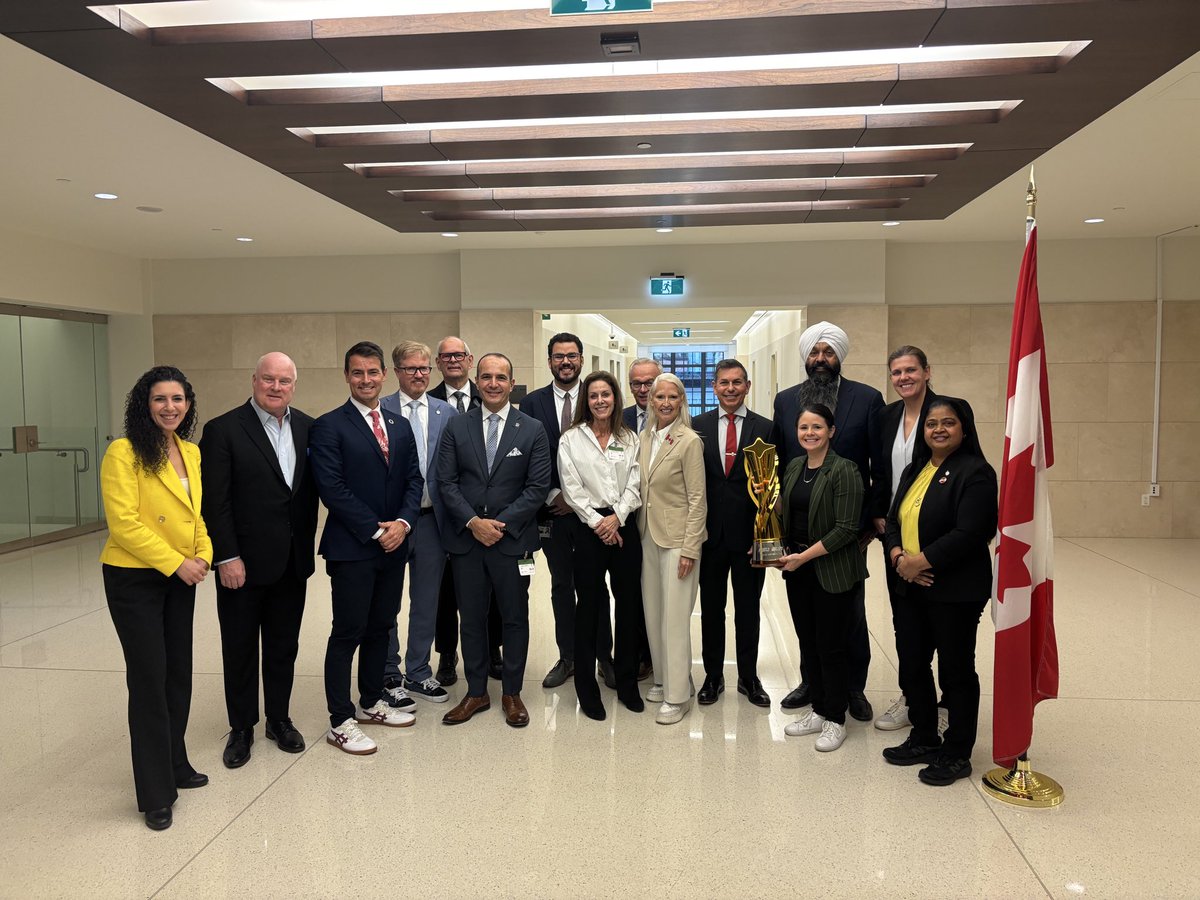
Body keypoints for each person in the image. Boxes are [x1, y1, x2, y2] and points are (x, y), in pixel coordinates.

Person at [99, 365, 212, 831]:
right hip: (135, 577)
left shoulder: (190, 450)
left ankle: (176, 763)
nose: (170, 407)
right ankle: (154, 793)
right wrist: (176, 562)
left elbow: (193, 515)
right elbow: (124, 523)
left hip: (179, 575)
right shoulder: (123, 452)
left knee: (177, 674)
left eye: (178, 399)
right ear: (144, 405)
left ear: (188, 404)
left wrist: (204, 552)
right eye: (160, 399)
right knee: (148, 680)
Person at [200, 352, 319, 770]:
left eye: (284, 381)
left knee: (284, 645)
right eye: (268, 379)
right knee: (240, 647)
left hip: (292, 561)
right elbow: (215, 503)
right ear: (253, 381)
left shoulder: (308, 427)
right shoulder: (223, 431)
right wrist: (226, 556)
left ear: (293, 385)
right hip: (241, 565)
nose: (275, 387)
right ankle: (242, 728)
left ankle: (279, 719)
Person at [309, 341, 423, 756]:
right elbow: (332, 489)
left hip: (394, 546)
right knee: (348, 632)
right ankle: (341, 720)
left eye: (373, 372)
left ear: (384, 375)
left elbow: (414, 479)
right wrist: (377, 531)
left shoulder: (399, 424)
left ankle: (372, 700)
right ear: (346, 376)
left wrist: (404, 524)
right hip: (354, 547)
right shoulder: (329, 426)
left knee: (382, 626)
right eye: (357, 373)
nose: (366, 380)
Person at [882, 397, 997, 786]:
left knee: (955, 670)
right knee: (912, 664)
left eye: (949, 423)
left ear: (964, 428)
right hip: (910, 584)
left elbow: (973, 532)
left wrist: (922, 561)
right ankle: (925, 736)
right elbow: (894, 517)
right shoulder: (915, 468)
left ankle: (956, 752)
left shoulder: (976, 472)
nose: (939, 430)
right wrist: (899, 556)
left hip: (955, 589)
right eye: (932, 424)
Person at [772, 321, 883, 721]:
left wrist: (872, 520)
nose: (820, 359)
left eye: (828, 352)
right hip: (799, 530)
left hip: (846, 531)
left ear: (839, 356)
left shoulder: (867, 399)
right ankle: (811, 682)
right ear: (805, 357)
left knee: (850, 614)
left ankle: (853, 687)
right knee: (806, 616)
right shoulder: (786, 402)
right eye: (814, 353)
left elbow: (879, 463)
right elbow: (781, 465)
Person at [437, 353, 552, 728]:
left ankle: (512, 693)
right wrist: (473, 522)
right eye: (485, 377)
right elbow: (446, 483)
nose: (492, 384)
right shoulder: (457, 426)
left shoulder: (531, 428)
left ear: (511, 381)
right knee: (470, 618)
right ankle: (476, 692)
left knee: (514, 617)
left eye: (500, 377)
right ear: (477, 379)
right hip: (468, 542)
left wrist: (497, 524)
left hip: (512, 541)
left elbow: (536, 489)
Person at [521, 333, 615, 690]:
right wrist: (553, 494)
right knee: (562, 585)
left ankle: (604, 656)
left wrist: (584, 499)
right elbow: (528, 456)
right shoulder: (532, 403)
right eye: (559, 356)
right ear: (549, 361)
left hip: (596, 513)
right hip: (553, 513)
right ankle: (569, 657)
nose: (565, 362)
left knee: (597, 587)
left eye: (572, 356)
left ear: (581, 360)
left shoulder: (597, 399)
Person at [777, 403, 868, 753]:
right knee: (809, 642)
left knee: (831, 645)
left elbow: (846, 529)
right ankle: (818, 708)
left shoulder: (845, 470)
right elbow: (787, 510)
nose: (809, 433)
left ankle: (836, 718)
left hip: (830, 569)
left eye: (817, 427)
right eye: (803, 428)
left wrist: (803, 556)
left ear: (831, 431)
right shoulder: (795, 466)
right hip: (797, 568)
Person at [558, 371, 644, 720]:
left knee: (628, 609)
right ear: (586, 401)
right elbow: (571, 488)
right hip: (588, 531)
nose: (600, 401)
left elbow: (636, 483)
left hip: (623, 527)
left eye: (605, 394)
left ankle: (627, 684)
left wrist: (617, 518)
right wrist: (599, 523)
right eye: (593, 396)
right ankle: (586, 690)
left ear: (615, 397)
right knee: (589, 609)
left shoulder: (629, 437)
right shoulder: (571, 439)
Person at [694, 359, 778, 708]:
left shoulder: (767, 428)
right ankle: (713, 676)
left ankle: (748, 677)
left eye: (737, 383)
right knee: (711, 610)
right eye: (724, 383)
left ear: (748, 386)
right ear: (714, 387)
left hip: (748, 538)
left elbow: (773, 485)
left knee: (748, 609)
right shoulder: (696, 426)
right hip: (709, 536)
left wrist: (765, 540)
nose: (730, 388)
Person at [869, 346, 944, 733]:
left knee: (942, 622)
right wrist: (880, 516)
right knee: (905, 621)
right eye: (896, 372)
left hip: (934, 531)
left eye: (911, 370)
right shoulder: (887, 416)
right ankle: (913, 694)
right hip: (894, 530)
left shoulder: (947, 411)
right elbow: (880, 471)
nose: (903, 378)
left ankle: (944, 701)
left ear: (927, 371)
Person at [380, 340, 457, 704]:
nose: (419, 375)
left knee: (426, 600)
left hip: (431, 523)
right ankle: (388, 672)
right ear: (396, 372)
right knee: (388, 602)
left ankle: (419, 671)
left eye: (425, 368)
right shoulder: (380, 409)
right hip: (393, 524)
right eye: (411, 368)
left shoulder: (446, 412)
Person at [428, 335, 502, 685]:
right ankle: (446, 654)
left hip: (492, 515)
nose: (453, 360)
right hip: (448, 513)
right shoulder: (427, 403)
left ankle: (493, 650)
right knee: (446, 590)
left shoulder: (490, 393)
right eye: (446, 356)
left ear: (470, 360)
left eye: (460, 355)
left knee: (492, 587)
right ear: (438, 363)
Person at [637, 373, 706, 725]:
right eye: (659, 397)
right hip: (648, 535)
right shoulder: (645, 437)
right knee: (655, 612)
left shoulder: (689, 441)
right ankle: (663, 678)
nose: (665, 403)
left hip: (679, 540)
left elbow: (698, 500)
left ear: (682, 401)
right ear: (651, 401)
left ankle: (678, 697)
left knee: (676, 618)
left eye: (672, 397)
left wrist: (691, 548)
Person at [622, 357, 662, 681]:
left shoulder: (673, 418)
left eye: (650, 382)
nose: (643, 389)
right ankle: (633, 653)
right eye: (637, 383)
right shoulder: (618, 419)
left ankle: (657, 655)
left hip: (662, 522)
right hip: (624, 520)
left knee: (660, 593)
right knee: (629, 590)